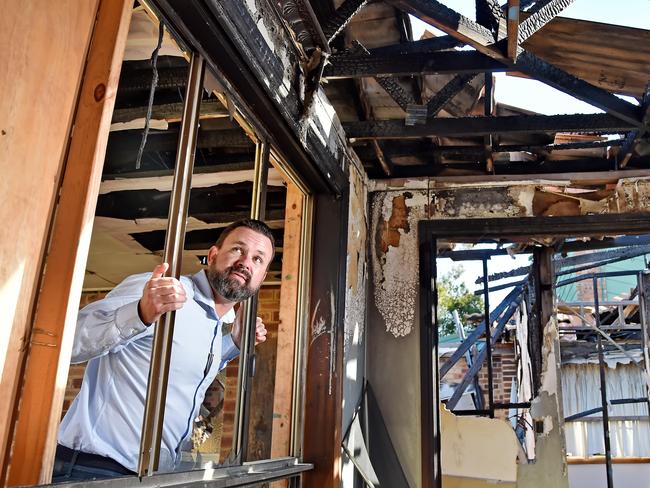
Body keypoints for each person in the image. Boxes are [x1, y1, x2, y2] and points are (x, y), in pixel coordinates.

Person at [53, 219, 274, 481]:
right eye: (238, 249)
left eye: (258, 259)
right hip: (94, 469)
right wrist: (139, 314)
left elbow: (181, 369)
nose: (246, 262)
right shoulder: (160, 290)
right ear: (213, 255)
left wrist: (234, 344)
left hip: (148, 476)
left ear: (262, 278)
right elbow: (68, 342)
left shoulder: (216, 325)